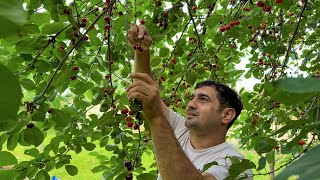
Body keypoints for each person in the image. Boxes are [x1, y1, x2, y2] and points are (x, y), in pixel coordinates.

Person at [126, 23, 253, 180]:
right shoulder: (181, 130)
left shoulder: (236, 165)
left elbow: (155, 111)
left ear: (226, 115)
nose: (191, 104)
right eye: (192, 98)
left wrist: (156, 117)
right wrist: (142, 50)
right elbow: (146, 93)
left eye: (203, 99)